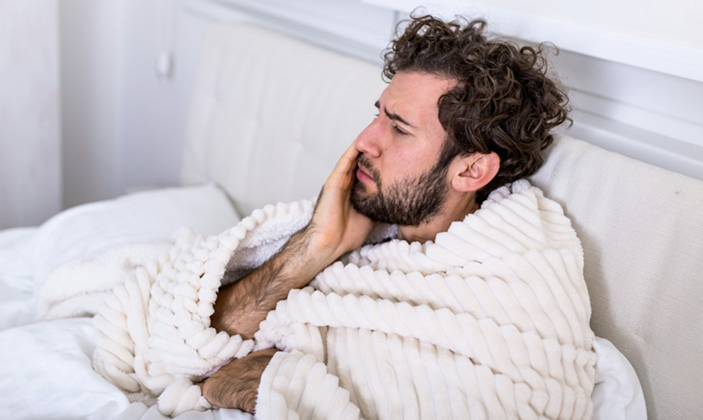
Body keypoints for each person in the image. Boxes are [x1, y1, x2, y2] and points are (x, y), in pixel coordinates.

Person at [200, 14, 571, 414]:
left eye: (399, 129)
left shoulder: (514, 291)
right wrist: (315, 245)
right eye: (377, 115)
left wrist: (260, 380)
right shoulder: (365, 226)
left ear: (471, 171)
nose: (364, 141)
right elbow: (200, 340)